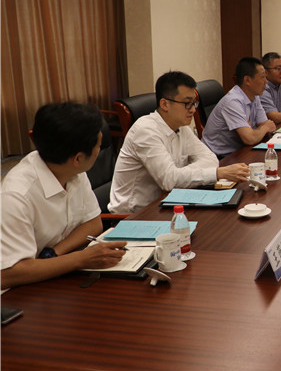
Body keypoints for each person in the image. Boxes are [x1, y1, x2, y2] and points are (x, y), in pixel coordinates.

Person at [1, 102, 127, 290]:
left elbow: (93, 223)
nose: (99, 151)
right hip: (20, 293)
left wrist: (53, 253)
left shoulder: (71, 170)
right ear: (78, 158)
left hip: (57, 276)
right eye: (99, 146)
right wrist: (80, 259)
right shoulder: (16, 196)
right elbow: (8, 273)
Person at [109, 72, 250, 214]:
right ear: (165, 104)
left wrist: (180, 175)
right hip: (134, 216)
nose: (193, 109)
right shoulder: (145, 131)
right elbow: (169, 180)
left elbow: (210, 159)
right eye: (187, 103)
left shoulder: (181, 128)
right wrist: (217, 173)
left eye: (194, 103)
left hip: (168, 203)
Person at [203, 57, 277, 156]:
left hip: (239, 151)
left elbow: (267, 126)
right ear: (247, 80)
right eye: (263, 77)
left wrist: (260, 129)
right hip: (217, 156)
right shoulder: (232, 101)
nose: (266, 81)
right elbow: (250, 138)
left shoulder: (255, 95)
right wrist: (263, 128)